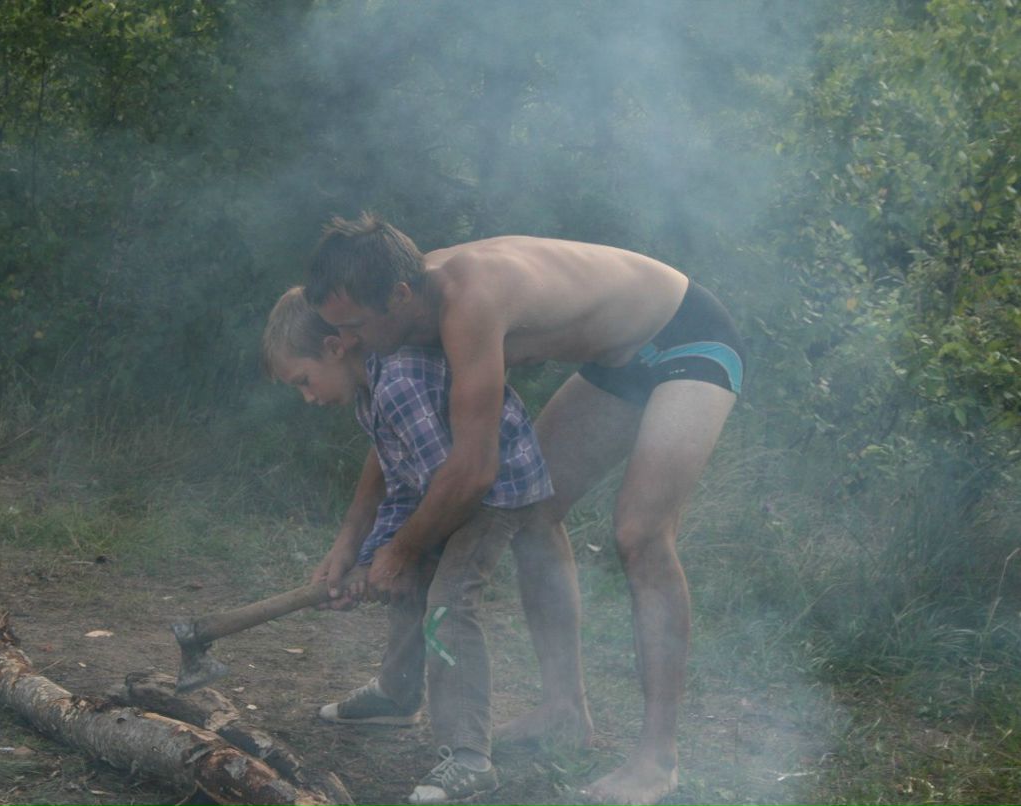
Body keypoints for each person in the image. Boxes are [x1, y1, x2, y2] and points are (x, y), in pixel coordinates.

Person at [304, 214, 746, 806]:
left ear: (399, 298)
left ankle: (656, 759)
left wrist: (401, 550)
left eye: (354, 326)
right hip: (618, 363)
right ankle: (564, 710)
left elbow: (474, 469)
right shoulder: (398, 293)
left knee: (640, 533)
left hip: (688, 336)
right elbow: (392, 435)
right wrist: (351, 542)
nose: (347, 341)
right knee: (535, 509)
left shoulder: (469, 302)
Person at [262, 287, 559, 804]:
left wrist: (396, 556)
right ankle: (397, 694)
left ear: (334, 347)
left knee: (448, 602)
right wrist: (372, 558)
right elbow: (405, 487)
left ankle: (470, 757)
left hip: (494, 491)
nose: (308, 397)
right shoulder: (371, 393)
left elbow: (449, 490)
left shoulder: (399, 383)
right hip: (449, 489)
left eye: (304, 381)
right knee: (407, 574)